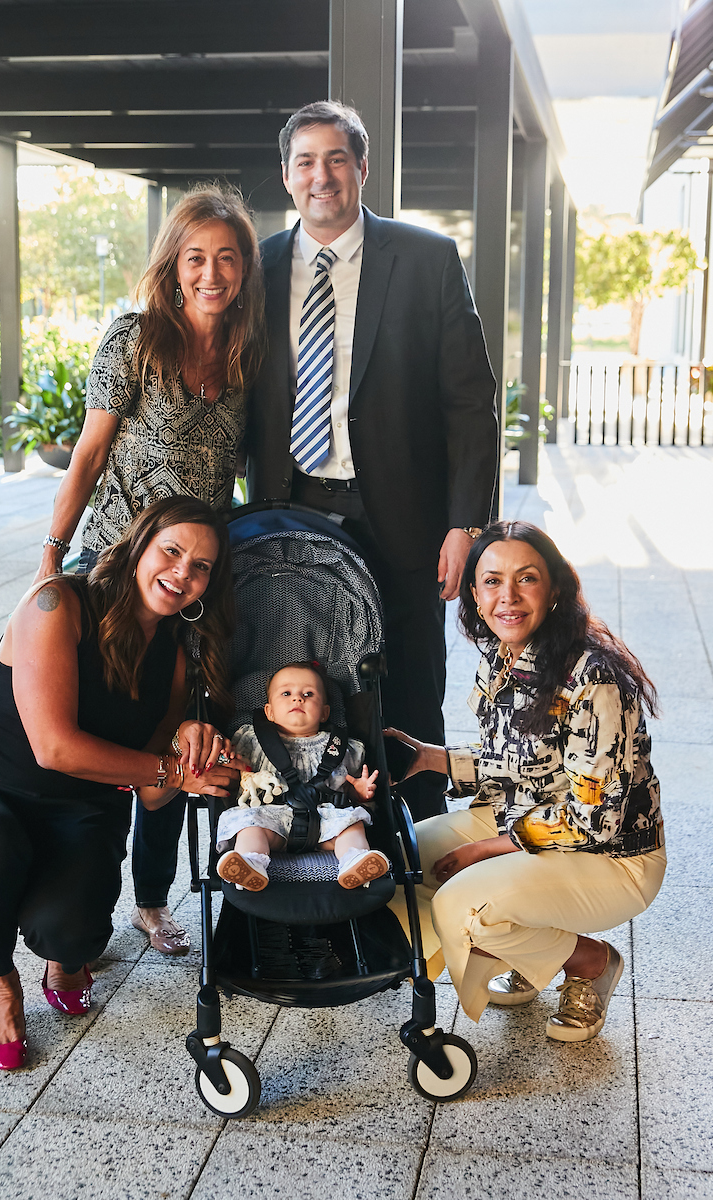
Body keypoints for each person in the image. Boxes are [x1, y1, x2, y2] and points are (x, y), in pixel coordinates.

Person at [245, 100, 499, 821]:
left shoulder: (426, 258)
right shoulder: (255, 269)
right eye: (305, 161)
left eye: (335, 159)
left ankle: (419, 852)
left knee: (413, 681)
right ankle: (299, 840)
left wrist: (465, 525)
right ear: (286, 176)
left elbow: (470, 403)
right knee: (293, 680)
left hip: (403, 515)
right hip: (287, 511)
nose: (320, 175)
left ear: (361, 168)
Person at [0, 497, 240, 1070]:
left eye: (201, 568)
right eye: (172, 552)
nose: (182, 574)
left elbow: (151, 793)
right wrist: (168, 769)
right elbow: (54, 747)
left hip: (84, 812)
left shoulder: (175, 656)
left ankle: (62, 957)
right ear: (137, 547)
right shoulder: (58, 602)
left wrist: (188, 753)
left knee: (71, 937)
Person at [34, 185, 264, 956]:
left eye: (226, 258)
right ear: (173, 265)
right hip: (115, 567)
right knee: (98, 716)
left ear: (243, 271)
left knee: (178, 728)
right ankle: (67, 880)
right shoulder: (134, 338)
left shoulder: (246, 356)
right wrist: (49, 558)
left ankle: (153, 900)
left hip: (195, 579)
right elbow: (89, 455)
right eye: (196, 257)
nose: (211, 273)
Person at [386, 520, 666, 1042]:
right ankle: (529, 942)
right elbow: (516, 761)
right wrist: (431, 759)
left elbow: (595, 818)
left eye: (526, 578)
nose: (507, 597)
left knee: (459, 902)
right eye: (491, 581)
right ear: (473, 592)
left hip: (610, 856)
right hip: (518, 817)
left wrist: (486, 850)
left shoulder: (593, 679)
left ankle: (589, 963)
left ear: (555, 587)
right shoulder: (501, 655)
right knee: (392, 861)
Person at [216, 662, 389, 891]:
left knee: (352, 824)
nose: (297, 699)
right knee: (249, 826)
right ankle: (251, 863)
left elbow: (349, 791)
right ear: (269, 711)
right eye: (286, 693)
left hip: (325, 821)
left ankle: (355, 861)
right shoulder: (251, 741)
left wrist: (360, 792)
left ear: (325, 712)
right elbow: (235, 768)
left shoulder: (342, 747)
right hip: (270, 818)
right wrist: (224, 755)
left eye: (308, 694)